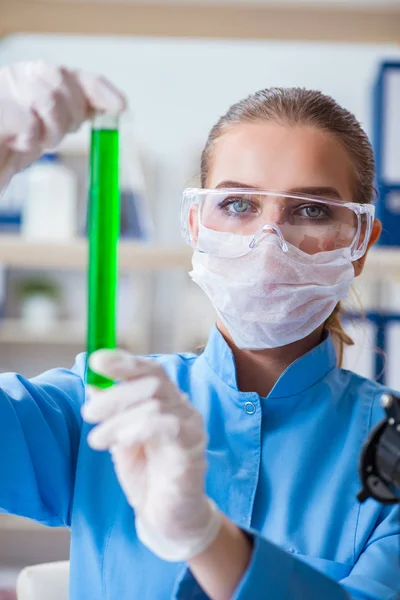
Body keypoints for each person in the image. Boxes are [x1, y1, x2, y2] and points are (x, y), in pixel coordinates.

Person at [0, 61, 398, 600]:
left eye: (311, 209)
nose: (269, 240)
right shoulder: (105, 406)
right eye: (238, 204)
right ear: (195, 226)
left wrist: (206, 538)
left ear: (361, 242)